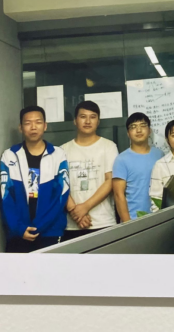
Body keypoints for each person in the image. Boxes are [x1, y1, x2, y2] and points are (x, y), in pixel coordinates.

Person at [0, 106, 70, 253]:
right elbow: (6, 196)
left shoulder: (58, 155)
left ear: (45, 126)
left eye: (38, 122)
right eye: (27, 123)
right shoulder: (10, 155)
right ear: (20, 127)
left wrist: (38, 227)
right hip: (19, 232)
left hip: (50, 231)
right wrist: (19, 228)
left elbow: (61, 195)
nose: (33, 127)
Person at [61, 101, 120, 242]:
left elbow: (110, 181)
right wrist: (75, 212)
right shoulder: (62, 150)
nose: (87, 121)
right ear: (75, 120)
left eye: (92, 117)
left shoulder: (109, 146)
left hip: (103, 222)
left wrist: (85, 207)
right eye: (83, 116)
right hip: (71, 225)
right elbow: (60, 184)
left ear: (98, 121)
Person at [112, 113, 164, 222]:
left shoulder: (160, 155)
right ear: (128, 133)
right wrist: (128, 224)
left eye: (143, 125)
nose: (139, 130)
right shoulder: (121, 159)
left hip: (159, 218)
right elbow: (118, 195)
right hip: (133, 220)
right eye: (133, 127)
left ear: (149, 130)